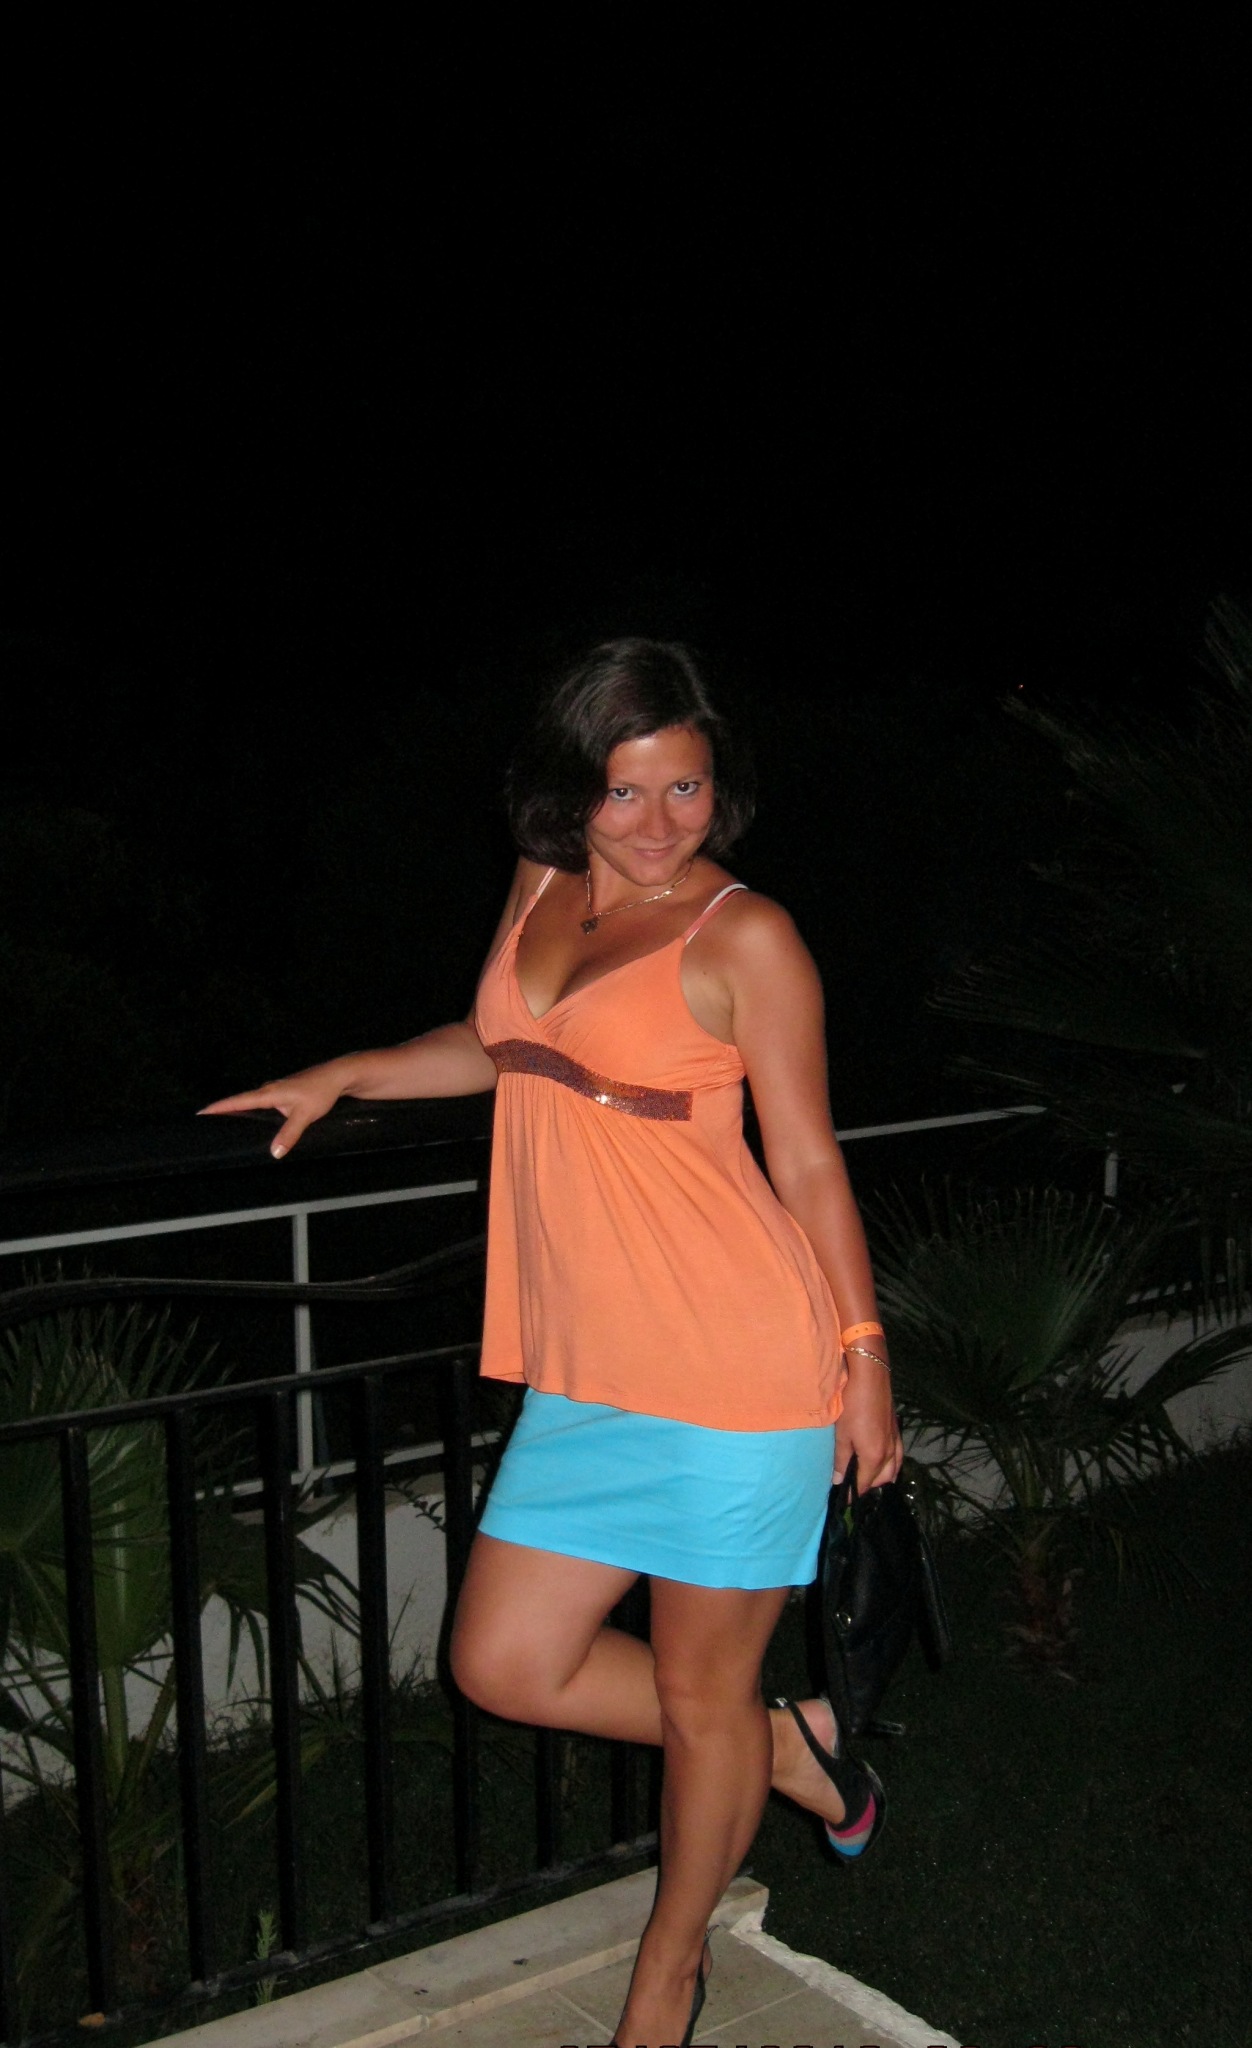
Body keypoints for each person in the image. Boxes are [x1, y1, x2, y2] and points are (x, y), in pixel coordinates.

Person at [203, 639, 902, 2048]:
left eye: (685, 789)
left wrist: (864, 1356)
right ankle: (788, 1744)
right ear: (569, 789)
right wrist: (347, 1075)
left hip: (737, 1366)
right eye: (622, 791)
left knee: (700, 1696)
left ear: (719, 785)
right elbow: (507, 1043)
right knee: (505, 1662)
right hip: (590, 1370)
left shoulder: (746, 937)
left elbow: (811, 1160)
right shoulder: (544, 880)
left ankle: (667, 1977)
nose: (655, 825)